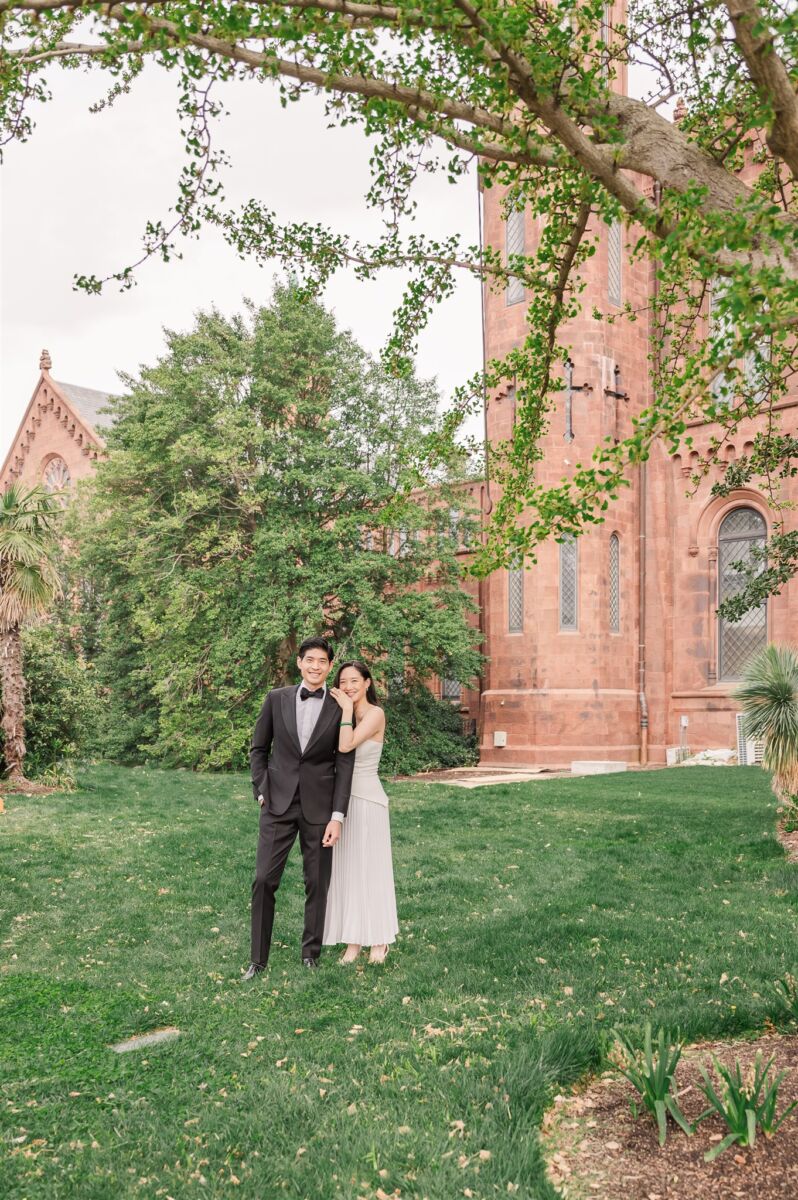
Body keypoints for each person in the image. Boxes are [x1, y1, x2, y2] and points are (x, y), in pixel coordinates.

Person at [243, 637, 355, 979]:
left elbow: (344, 763)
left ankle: (311, 954)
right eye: (310, 660)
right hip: (276, 804)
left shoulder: (341, 706)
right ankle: (257, 961)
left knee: (316, 883)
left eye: (322, 661)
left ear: (330, 666)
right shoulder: (276, 699)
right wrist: (261, 789)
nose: (316, 666)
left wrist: (338, 816)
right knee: (263, 880)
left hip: (320, 809)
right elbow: (258, 750)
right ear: (300, 663)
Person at [324, 660, 398, 964]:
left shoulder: (374, 714)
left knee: (371, 871)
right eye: (343, 682)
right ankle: (353, 940)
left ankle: (379, 940)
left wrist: (342, 710)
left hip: (368, 801)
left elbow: (346, 745)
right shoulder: (344, 712)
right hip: (342, 804)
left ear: (367, 683)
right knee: (349, 872)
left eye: (354, 681)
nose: (348, 687)